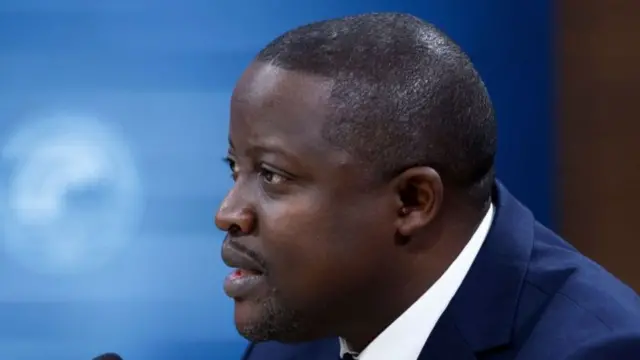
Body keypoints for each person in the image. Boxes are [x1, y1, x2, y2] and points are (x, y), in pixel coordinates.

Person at [215, 12, 640, 360]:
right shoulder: (291, 342)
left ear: (413, 202)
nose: (228, 213)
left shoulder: (599, 350)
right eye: (235, 168)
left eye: (272, 175)